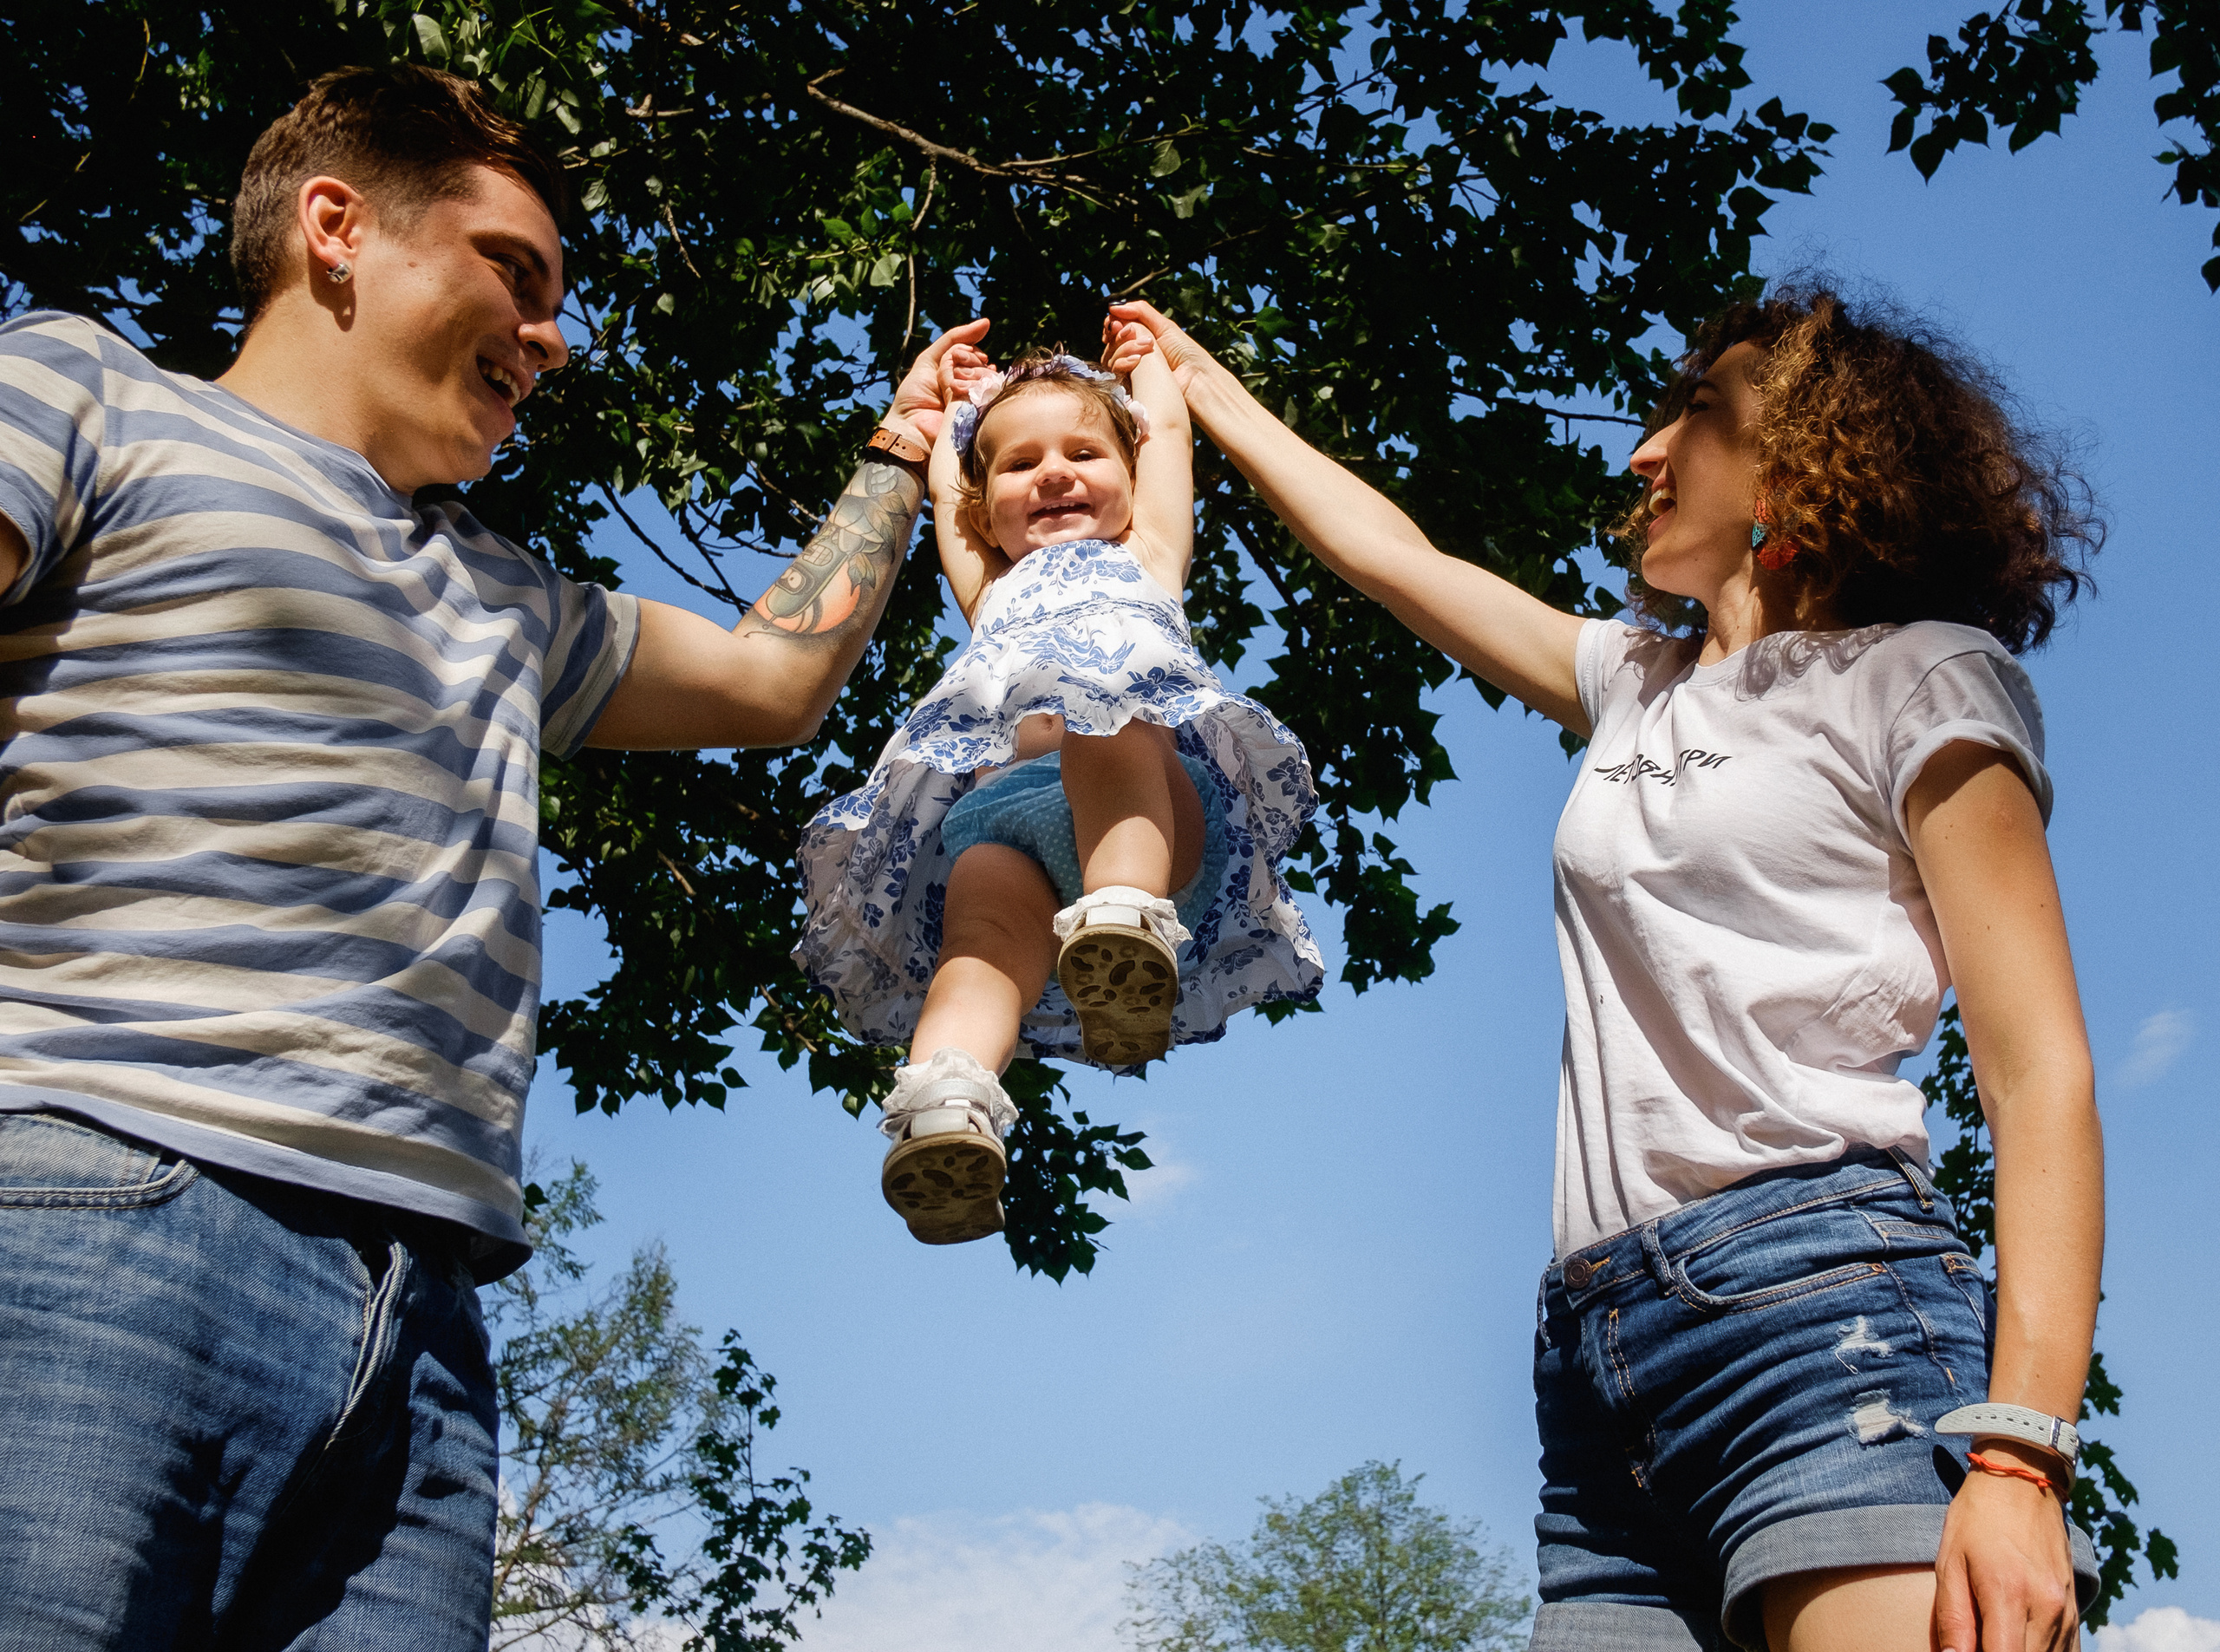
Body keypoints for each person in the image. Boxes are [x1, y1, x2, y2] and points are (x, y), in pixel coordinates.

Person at [0, 63, 979, 1649]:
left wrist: (895, 451)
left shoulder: (515, 600)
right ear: (337, 232)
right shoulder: (87, 395)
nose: (553, 336)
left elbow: (774, 683)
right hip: (95, 1214)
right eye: (512, 274)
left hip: (426, 1329)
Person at [1111, 287, 2104, 1652]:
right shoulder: (1640, 682)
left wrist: (2020, 1454)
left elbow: (2037, 1066)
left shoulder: (1920, 679)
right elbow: (1391, 555)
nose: (1645, 450)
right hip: (1594, 1365)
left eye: (1696, 412)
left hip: (1826, 1311)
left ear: (1804, 458)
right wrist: (1199, 388)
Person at [794, 330, 1322, 1245]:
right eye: (1019, 464)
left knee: (1098, 711)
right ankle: (946, 1103)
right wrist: (953, 404)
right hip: (1000, 811)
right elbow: (951, 493)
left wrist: (1148, 358)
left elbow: (1163, 430)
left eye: (1083, 454)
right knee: (980, 945)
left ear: (1128, 477)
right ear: (982, 504)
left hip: (1144, 811)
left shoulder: (1148, 552)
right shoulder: (989, 587)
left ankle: (1124, 916)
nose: (1051, 474)